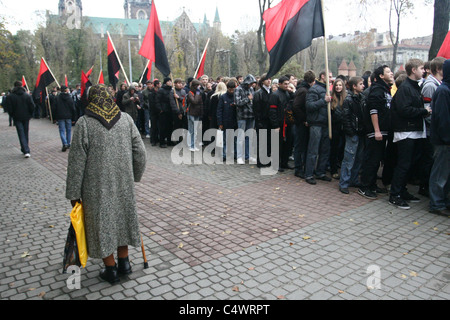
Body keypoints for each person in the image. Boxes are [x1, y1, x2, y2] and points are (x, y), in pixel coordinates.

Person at [65, 84, 147, 285]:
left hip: (95, 187)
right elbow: (141, 153)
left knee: (102, 225)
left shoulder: (84, 123)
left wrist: (74, 193)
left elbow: (76, 162)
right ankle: (124, 263)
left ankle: (111, 270)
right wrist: (134, 176)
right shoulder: (126, 120)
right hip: (123, 183)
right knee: (122, 220)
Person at [389, 59, 430, 210]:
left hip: (414, 131)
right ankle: (395, 194)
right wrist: (424, 111)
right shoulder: (406, 88)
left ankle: (402, 190)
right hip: (406, 131)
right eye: (421, 68)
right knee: (403, 164)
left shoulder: (414, 87)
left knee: (410, 164)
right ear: (413, 70)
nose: (423, 71)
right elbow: (404, 109)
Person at [358, 65, 394, 200]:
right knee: (372, 160)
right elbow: (374, 111)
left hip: (383, 131)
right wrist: (377, 130)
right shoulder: (377, 90)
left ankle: (372, 184)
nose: (391, 73)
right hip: (375, 132)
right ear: (380, 76)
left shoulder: (385, 89)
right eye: (388, 72)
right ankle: (364, 186)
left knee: (377, 160)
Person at [419, 56, 446, 197]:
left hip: (433, 131)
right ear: (438, 69)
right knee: (430, 161)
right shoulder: (431, 86)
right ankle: (425, 188)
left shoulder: (438, 85)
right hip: (431, 131)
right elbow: (427, 111)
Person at [428, 59, 450, 216]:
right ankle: (436, 203)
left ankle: (443, 200)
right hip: (443, 141)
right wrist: (447, 138)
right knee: (440, 173)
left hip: (446, 140)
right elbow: (442, 119)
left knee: (446, 174)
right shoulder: (443, 91)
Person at [304, 71, 332, 184]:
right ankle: (309, 174)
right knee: (313, 150)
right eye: (329, 77)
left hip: (326, 123)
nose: (331, 78)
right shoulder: (313, 89)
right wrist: (323, 101)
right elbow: (309, 106)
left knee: (325, 150)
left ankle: (320, 172)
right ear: (322, 76)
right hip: (316, 124)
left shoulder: (328, 89)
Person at [339, 77, 366, 194]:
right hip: (353, 133)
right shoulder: (349, 100)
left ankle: (353, 180)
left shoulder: (362, 98)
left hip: (360, 132)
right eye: (361, 84)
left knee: (358, 159)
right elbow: (346, 118)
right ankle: (344, 182)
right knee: (349, 159)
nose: (363, 86)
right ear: (354, 86)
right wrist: (351, 132)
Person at [293, 70, 315, 178]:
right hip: (301, 123)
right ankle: (298, 168)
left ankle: (301, 166)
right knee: (299, 146)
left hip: (301, 122)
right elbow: (296, 106)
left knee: (302, 146)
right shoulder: (304, 91)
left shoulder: (303, 89)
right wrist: (304, 120)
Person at [269, 76, 294, 172]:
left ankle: (284, 162)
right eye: (285, 84)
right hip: (279, 124)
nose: (287, 86)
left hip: (287, 123)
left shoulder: (287, 93)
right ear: (280, 84)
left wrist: (291, 93)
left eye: (288, 84)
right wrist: (275, 125)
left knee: (287, 144)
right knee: (277, 145)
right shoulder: (275, 95)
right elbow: (272, 111)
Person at [5, 81, 35, 158]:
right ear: (22, 86)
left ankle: (25, 149)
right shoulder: (27, 96)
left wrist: (12, 115)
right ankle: (26, 149)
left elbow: (9, 108)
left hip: (17, 117)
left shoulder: (10, 96)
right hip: (26, 116)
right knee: (25, 132)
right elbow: (32, 106)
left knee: (21, 133)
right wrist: (30, 114)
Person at [235, 74, 257, 164]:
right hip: (242, 116)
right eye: (251, 83)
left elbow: (253, 101)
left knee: (250, 137)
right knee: (240, 137)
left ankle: (249, 156)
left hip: (251, 116)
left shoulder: (251, 89)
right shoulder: (238, 89)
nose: (252, 85)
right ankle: (239, 156)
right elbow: (238, 102)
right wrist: (247, 99)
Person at [253, 74, 272, 168]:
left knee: (268, 141)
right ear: (262, 81)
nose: (269, 81)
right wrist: (259, 122)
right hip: (261, 121)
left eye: (270, 79)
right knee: (261, 142)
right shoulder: (258, 93)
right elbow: (256, 110)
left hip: (269, 121)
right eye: (267, 79)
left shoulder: (271, 92)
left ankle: (267, 159)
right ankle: (260, 161)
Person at [329, 78, 347, 179]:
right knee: (334, 149)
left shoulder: (347, 98)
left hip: (344, 127)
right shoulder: (332, 98)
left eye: (340, 85)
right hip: (335, 126)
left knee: (343, 149)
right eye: (336, 85)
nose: (338, 87)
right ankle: (333, 169)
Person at [217, 80, 238, 160]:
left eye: (233, 89)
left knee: (234, 139)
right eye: (230, 89)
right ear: (227, 88)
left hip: (234, 121)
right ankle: (224, 155)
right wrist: (220, 122)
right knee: (225, 140)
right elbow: (219, 110)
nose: (231, 91)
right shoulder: (223, 97)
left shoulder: (236, 96)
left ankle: (235, 153)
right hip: (225, 121)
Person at [55, 85, 76, 152]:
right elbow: (73, 108)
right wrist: (74, 118)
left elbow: (54, 108)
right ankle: (68, 143)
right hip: (68, 116)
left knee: (62, 131)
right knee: (69, 130)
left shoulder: (57, 98)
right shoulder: (69, 98)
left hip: (60, 116)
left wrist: (55, 117)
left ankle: (64, 143)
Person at [187, 79, 204, 151]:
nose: (199, 87)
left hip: (197, 113)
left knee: (195, 130)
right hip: (191, 113)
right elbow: (195, 101)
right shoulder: (190, 93)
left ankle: (194, 145)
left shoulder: (199, 93)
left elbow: (201, 103)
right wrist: (197, 93)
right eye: (198, 86)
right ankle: (190, 145)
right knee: (191, 130)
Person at [149, 79, 161, 146]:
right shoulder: (151, 93)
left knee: (158, 126)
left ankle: (157, 138)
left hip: (159, 112)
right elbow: (152, 103)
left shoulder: (159, 91)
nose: (160, 85)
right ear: (157, 85)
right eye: (159, 84)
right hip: (153, 112)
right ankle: (153, 140)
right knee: (153, 126)